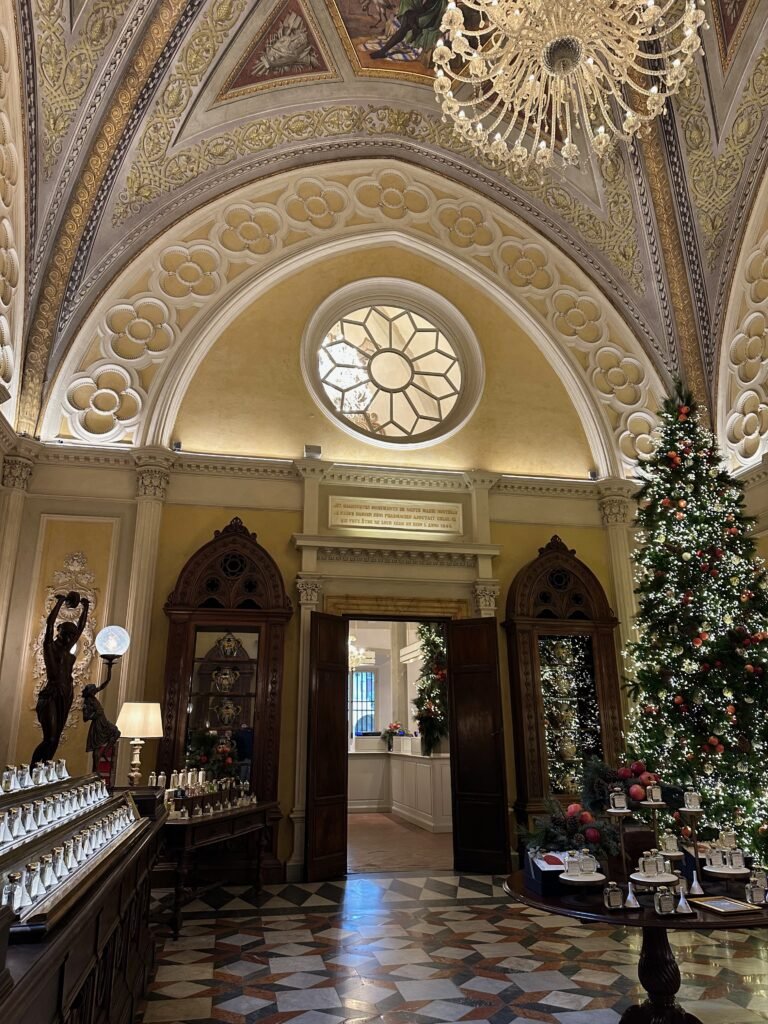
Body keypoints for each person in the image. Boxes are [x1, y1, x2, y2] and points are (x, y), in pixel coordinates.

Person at [31, 591, 89, 765]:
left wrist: (86, 607)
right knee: (49, 737)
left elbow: (81, 628)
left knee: (55, 738)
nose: (71, 637)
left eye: (72, 635)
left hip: (66, 693)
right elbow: (50, 624)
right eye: (67, 633)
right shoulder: (50, 647)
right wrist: (60, 602)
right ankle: (33, 769)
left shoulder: (67, 648)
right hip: (51, 693)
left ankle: (45, 768)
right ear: (59, 632)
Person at [371, 0, 446, 64]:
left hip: (431, 15)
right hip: (425, 11)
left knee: (407, 22)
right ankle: (414, 28)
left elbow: (430, 9)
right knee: (407, 16)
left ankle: (383, 51)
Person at [82, 681, 121, 773]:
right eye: (93, 690)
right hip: (97, 725)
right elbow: (85, 718)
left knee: (116, 732)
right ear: (90, 692)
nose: (95, 691)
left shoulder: (93, 697)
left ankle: (105, 751)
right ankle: (96, 770)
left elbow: (102, 686)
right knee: (97, 747)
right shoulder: (87, 702)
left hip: (104, 722)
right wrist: (96, 714)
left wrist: (109, 675)